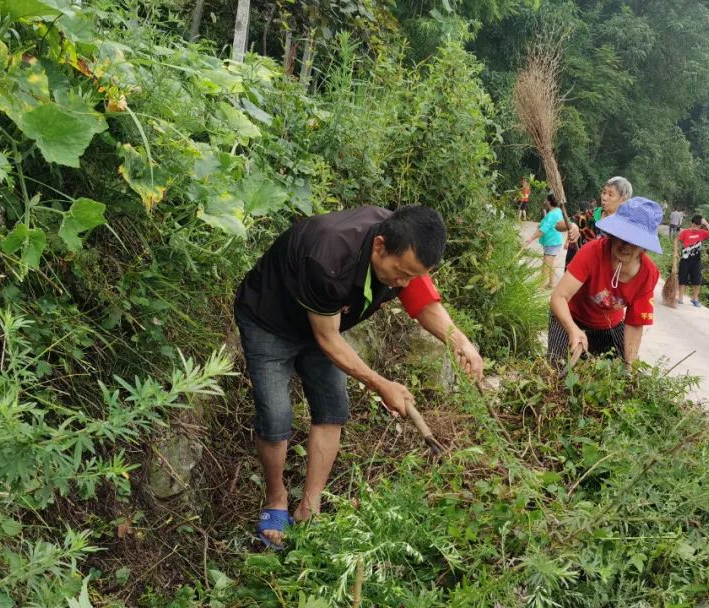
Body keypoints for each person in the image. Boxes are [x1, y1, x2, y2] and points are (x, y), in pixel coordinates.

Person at [234, 205, 484, 549]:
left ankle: (310, 504)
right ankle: (276, 499)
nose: (404, 283)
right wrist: (381, 385)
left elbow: (422, 301)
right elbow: (327, 339)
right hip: (269, 320)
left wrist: (461, 342)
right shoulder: (328, 256)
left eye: (413, 275)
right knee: (276, 416)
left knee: (332, 408)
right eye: (400, 273)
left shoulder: (403, 250)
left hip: (325, 323)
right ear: (378, 246)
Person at [549, 197, 663, 366]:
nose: (625, 246)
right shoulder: (592, 252)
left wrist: (629, 366)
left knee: (614, 376)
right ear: (613, 234)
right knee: (558, 371)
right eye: (622, 237)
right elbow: (558, 298)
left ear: (644, 246)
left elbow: (634, 324)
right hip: (570, 317)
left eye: (634, 242)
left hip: (610, 325)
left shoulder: (648, 273)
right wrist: (573, 329)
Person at [524, 193, 566, 288]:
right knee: (550, 264)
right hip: (554, 242)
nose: (545, 202)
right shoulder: (558, 210)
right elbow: (548, 223)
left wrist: (530, 239)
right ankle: (551, 284)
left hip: (552, 242)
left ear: (549, 202)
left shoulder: (551, 214)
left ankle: (540, 287)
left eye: (546, 200)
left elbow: (542, 231)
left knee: (546, 265)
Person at [675, 214, 709, 307]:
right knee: (682, 279)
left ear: (700, 226)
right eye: (694, 226)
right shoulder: (685, 232)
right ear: (691, 223)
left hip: (696, 261)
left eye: (698, 226)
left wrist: (706, 223)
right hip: (685, 260)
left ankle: (694, 298)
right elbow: (676, 240)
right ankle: (680, 298)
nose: (695, 228)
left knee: (697, 280)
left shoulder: (702, 232)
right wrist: (675, 252)